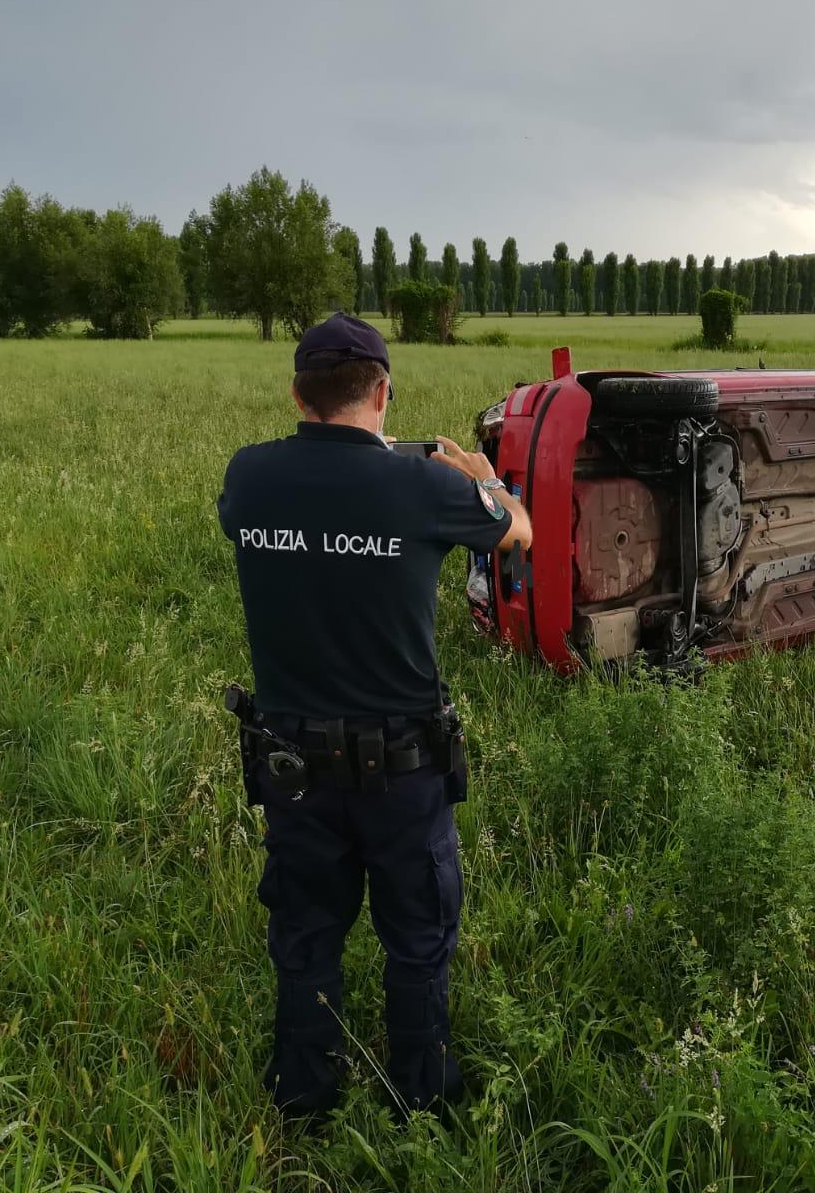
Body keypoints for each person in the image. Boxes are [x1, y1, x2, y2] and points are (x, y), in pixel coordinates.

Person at [216, 312, 531, 1119]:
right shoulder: (427, 487)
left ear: (297, 393)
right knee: (418, 941)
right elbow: (517, 532)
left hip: (291, 768)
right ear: (384, 393)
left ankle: (304, 1097)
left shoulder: (249, 478)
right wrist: (483, 475)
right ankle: (421, 1100)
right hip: (403, 770)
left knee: (306, 937)